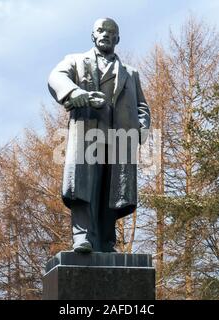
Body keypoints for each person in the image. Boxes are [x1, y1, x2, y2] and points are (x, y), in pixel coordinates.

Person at [48, 18, 150, 253]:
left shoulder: (130, 73)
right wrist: (75, 93)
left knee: (112, 191)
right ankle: (82, 238)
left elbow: (142, 107)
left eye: (111, 31)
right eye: (100, 30)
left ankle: (106, 242)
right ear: (93, 36)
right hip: (87, 135)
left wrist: (141, 130)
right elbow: (55, 78)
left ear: (117, 39)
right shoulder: (75, 61)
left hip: (119, 139)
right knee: (84, 188)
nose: (105, 34)